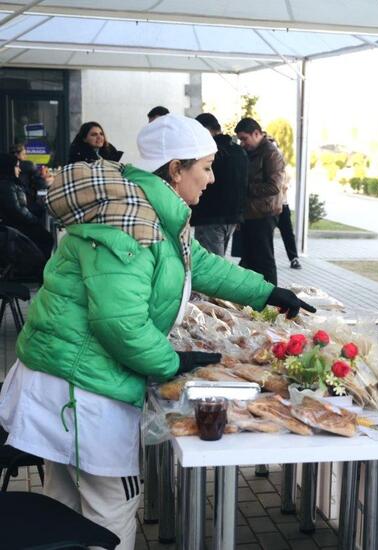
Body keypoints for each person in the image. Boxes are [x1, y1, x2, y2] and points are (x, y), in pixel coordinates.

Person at [0, 114, 314, 550]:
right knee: (110, 514)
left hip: (69, 381)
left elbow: (199, 265)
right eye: (204, 167)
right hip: (80, 390)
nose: (211, 178)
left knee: (67, 510)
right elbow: (119, 324)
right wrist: (170, 363)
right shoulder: (130, 223)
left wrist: (267, 292)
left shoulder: (149, 211)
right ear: (174, 169)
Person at [234, 117, 285, 284]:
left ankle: (273, 299)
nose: (242, 143)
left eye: (244, 139)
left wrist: (245, 188)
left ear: (256, 133)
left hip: (264, 214)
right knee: (249, 259)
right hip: (250, 214)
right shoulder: (250, 152)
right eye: (240, 139)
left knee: (264, 260)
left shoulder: (270, 153)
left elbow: (274, 186)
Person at [191, 112, 248, 256]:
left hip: (209, 218)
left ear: (205, 130)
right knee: (217, 264)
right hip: (232, 217)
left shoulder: (209, 152)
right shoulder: (239, 151)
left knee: (209, 269)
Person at [0, 152, 54, 260]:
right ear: (9, 167)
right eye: (16, 166)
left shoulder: (11, 183)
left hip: (17, 225)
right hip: (15, 228)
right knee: (45, 238)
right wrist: (34, 220)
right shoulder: (6, 185)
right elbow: (16, 210)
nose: (19, 170)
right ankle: (40, 269)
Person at [10, 143, 51, 221]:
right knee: (44, 211)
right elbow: (41, 185)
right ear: (17, 155)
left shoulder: (5, 167)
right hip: (28, 204)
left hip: (9, 208)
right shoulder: (28, 165)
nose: (26, 156)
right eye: (24, 154)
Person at [277, 188, 301, 269]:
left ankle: (294, 258)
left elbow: (284, 187)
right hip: (269, 205)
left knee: (288, 233)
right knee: (265, 234)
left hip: (283, 205)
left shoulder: (284, 175)